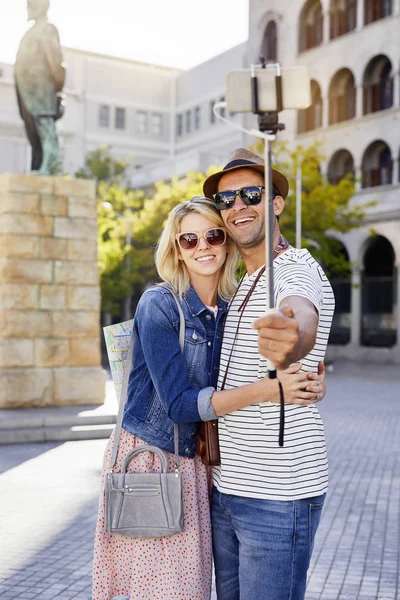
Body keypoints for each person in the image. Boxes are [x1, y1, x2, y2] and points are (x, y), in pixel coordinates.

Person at [92, 196, 326, 600]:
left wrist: (307, 379)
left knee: (194, 589)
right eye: (189, 240)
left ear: (227, 243)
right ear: (176, 250)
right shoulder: (159, 305)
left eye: (213, 235)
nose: (203, 246)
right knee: (164, 590)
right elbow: (180, 404)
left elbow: (257, 364)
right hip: (154, 458)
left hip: (202, 466)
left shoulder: (232, 309)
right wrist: (270, 391)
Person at [203, 148, 335, 600]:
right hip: (226, 490)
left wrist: (292, 337)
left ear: (275, 203)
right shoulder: (242, 283)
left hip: (277, 497)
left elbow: (299, 311)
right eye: (226, 199)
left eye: (251, 193)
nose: (238, 205)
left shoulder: (294, 268)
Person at [15, 0, 66, 174]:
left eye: (31, 4)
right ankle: (38, 167)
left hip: (43, 92)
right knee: (34, 135)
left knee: (45, 129)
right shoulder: (30, 32)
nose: (28, 9)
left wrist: (57, 90)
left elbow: (56, 62)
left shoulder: (47, 29)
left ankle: (50, 165)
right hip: (28, 94)